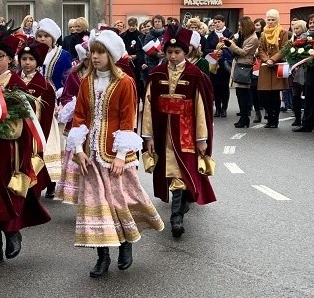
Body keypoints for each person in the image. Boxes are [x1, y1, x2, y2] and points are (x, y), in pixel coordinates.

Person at [67, 29, 163, 278]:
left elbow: (127, 119)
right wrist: (78, 148)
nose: (95, 57)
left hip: (115, 154)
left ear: (111, 55)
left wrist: (121, 154)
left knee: (119, 201)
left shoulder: (124, 82)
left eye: (100, 52)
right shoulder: (86, 81)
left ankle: (125, 245)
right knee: (96, 204)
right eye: (93, 52)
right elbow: (79, 115)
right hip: (90, 154)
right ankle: (102, 256)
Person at [0, 28, 51, 266]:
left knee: (3, 196)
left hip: (9, 150)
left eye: (0, 56)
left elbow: (24, 120)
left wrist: (0, 128)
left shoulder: (16, 84)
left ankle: (12, 234)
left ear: (9, 59)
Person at [141, 27, 216, 239]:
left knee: (182, 171)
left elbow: (201, 109)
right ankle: (180, 208)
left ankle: (176, 217)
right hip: (163, 129)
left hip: (186, 131)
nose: (173, 56)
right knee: (171, 171)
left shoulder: (195, 75)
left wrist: (202, 139)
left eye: (178, 52)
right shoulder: (156, 74)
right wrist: (148, 136)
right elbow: (147, 107)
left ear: (186, 53)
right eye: (170, 52)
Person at [36, 18, 73, 197]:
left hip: (55, 103)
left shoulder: (63, 55)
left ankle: (52, 180)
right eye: (40, 36)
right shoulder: (32, 53)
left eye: (46, 36)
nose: (42, 39)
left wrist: (61, 98)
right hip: (35, 102)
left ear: (53, 38)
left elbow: (69, 78)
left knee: (54, 142)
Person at [17, 39, 56, 197]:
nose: (27, 63)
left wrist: (42, 139)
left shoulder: (45, 86)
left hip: (35, 134)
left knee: (34, 164)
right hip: (17, 132)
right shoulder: (13, 81)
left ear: (38, 62)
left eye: (31, 59)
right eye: (24, 59)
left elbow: (46, 117)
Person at [56, 41, 89, 204]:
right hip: (77, 122)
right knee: (76, 159)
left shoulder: (103, 74)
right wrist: (73, 104)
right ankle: (78, 196)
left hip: (97, 124)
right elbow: (66, 95)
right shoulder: (74, 74)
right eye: (88, 59)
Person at [255, 9, 289, 128]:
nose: (270, 22)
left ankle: (275, 119)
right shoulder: (263, 33)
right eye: (268, 19)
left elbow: (285, 48)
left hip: (276, 66)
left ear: (277, 20)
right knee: (265, 94)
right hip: (265, 67)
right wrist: (266, 59)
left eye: (273, 20)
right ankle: (269, 118)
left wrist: (273, 59)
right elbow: (260, 49)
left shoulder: (283, 33)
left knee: (275, 94)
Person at [224, 16, 259, 128]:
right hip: (239, 64)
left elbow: (243, 52)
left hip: (245, 66)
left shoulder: (253, 38)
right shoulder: (242, 36)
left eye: (241, 26)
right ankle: (243, 117)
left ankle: (244, 117)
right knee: (240, 93)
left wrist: (231, 45)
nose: (239, 28)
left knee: (243, 93)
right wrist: (230, 42)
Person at [204, 14, 234, 117]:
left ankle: (224, 108)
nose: (216, 24)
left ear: (223, 22)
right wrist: (214, 51)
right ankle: (217, 108)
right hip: (214, 64)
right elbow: (205, 50)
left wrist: (224, 52)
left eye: (218, 22)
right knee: (215, 87)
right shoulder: (211, 35)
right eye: (215, 23)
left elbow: (233, 49)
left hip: (225, 64)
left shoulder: (229, 34)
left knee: (224, 87)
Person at [120, 17, 145, 101]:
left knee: (136, 81)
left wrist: (136, 56)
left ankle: (136, 99)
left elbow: (142, 49)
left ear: (136, 25)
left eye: (133, 25)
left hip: (136, 62)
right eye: (130, 25)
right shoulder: (123, 36)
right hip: (125, 61)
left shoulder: (140, 35)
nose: (131, 27)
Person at [289, 20, 308, 126]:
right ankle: (297, 117)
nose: (296, 30)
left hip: (304, 70)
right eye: (294, 29)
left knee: (304, 95)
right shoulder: (293, 39)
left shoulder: (307, 39)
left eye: (298, 28)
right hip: (295, 70)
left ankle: (306, 118)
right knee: (295, 95)